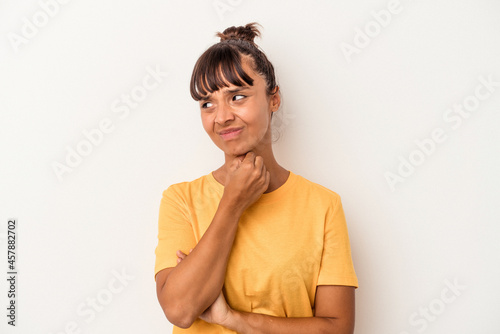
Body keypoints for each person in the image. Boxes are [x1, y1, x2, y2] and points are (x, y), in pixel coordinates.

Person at [154, 22, 358, 333]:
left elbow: (337, 329)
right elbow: (180, 310)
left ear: (273, 99)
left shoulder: (322, 205)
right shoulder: (181, 200)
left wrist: (232, 319)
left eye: (237, 97)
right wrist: (232, 203)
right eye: (207, 103)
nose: (221, 116)